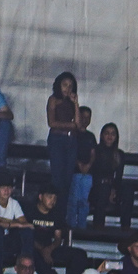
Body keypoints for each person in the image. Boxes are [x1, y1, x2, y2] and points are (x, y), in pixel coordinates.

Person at [23, 185, 88, 274]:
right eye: (50, 197)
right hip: (32, 247)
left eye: (55, 198)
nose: (52, 201)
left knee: (80, 254)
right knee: (31, 254)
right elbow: (25, 236)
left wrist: (49, 249)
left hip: (49, 248)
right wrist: (42, 250)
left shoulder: (56, 214)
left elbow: (58, 238)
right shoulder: (29, 211)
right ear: (40, 197)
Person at [0, 175, 34, 274]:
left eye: (9, 187)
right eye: (3, 188)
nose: (6, 190)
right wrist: (15, 224)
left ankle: (26, 269)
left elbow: (25, 223)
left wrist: (0, 219)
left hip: (5, 240)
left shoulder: (14, 203)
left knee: (26, 231)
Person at [46, 72, 81, 205]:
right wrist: (70, 125)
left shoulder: (71, 101)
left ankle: (63, 210)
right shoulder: (53, 99)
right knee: (57, 177)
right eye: (65, 85)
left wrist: (76, 103)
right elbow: (51, 122)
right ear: (59, 85)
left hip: (71, 140)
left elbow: (78, 123)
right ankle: (55, 208)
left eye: (70, 86)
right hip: (57, 139)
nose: (67, 88)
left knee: (68, 178)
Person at [89, 122, 129, 228]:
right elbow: (93, 173)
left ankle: (125, 227)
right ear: (102, 135)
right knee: (103, 190)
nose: (109, 136)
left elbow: (118, 176)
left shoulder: (119, 154)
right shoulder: (96, 151)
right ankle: (98, 227)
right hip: (95, 188)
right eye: (107, 133)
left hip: (111, 187)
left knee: (128, 190)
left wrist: (114, 190)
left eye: (113, 134)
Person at [67, 106, 95, 229]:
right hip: (75, 172)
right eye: (83, 117)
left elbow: (93, 153)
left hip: (87, 174)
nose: (85, 120)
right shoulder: (72, 134)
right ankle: (71, 226)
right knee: (73, 201)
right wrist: (79, 164)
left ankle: (82, 225)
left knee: (84, 201)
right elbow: (70, 151)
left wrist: (88, 165)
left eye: (88, 117)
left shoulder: (90, 136)